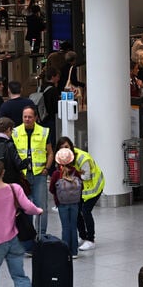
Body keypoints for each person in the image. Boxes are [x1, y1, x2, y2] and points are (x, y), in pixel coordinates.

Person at [55, 136, 104, 252]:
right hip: (79, 190)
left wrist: (71, 177)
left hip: (93, 188)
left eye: (66, 147)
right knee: (77, 212)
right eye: (61, 148)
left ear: (71, 146)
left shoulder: (83, 158)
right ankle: (83, 236)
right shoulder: (62, 159)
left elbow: (86, 177)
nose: (64, 150)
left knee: (85, 211)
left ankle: (90, 239)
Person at [12, 105, 54, 237]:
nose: (27, 119)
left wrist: (47, 168)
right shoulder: (15, 132)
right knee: (25, 207)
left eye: (30, 117)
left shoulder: (44, 132)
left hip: (39, 175)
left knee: (41, 207)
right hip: (22, 176)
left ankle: (41, 236)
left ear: (35, 117)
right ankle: (28, 237)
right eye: (25, 117)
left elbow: (50, 153)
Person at [49, 148, 83, 257]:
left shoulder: (56, 174)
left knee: (65, 227)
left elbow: (51, 189)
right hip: (75, 203)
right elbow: (81, 186)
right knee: (73, 226)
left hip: (62, 203)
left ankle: (66, 252)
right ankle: (74, 252)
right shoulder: (75, 172)